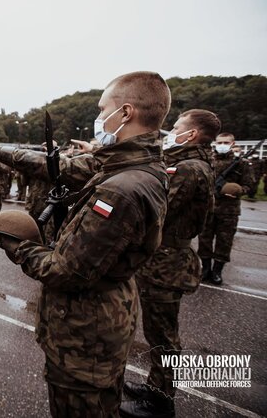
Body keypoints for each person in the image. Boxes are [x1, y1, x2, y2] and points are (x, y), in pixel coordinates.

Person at [0, 71, 171, 416]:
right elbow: (58, 167)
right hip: (104, 318)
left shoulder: (119, 188)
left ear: (125, 113)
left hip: (85, 332)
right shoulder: (133, 163)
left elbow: (66, 271)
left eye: (101, 108)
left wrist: (9, 242)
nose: (98, 116)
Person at [120, 109, 219, 417]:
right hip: (162, 259)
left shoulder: (190, 167)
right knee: (157, 333)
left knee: (163, 335)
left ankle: (161, 402)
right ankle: (155, 386)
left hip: (167, 263)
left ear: (191, 134)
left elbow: (160, 209)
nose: (170, 132)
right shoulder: (189, 163)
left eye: (177, 127)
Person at [198, 132, 253, 285]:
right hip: (208, 209)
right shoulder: (208, 160)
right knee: (204, 240)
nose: (222, 145)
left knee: (225, 241)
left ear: (232, 143)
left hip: (229, 211)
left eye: (226, 142)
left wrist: (236, 191)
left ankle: (217, 271)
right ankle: (205, 269)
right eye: (220, 142)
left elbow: (249, 185)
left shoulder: (241, 163)